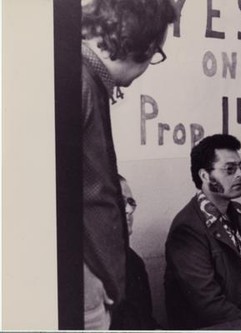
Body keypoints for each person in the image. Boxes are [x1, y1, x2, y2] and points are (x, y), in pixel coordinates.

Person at [81, 0, 177, 329]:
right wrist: (84, 276)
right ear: (147, 45)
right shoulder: (77, 83)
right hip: (82, 290)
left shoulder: (86, 80)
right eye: (158, 54)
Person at [164, 134, 241, 329]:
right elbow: (209, 306)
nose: (239, 175)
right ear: (204, 176)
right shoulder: (187, 229)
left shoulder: (238, 212)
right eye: (229, 169)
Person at [110, 176, 161, 330]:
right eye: (120, 202)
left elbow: (145, 322)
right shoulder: (85, 269)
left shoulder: (134, 262)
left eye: (131, 203)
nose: (129, 210)